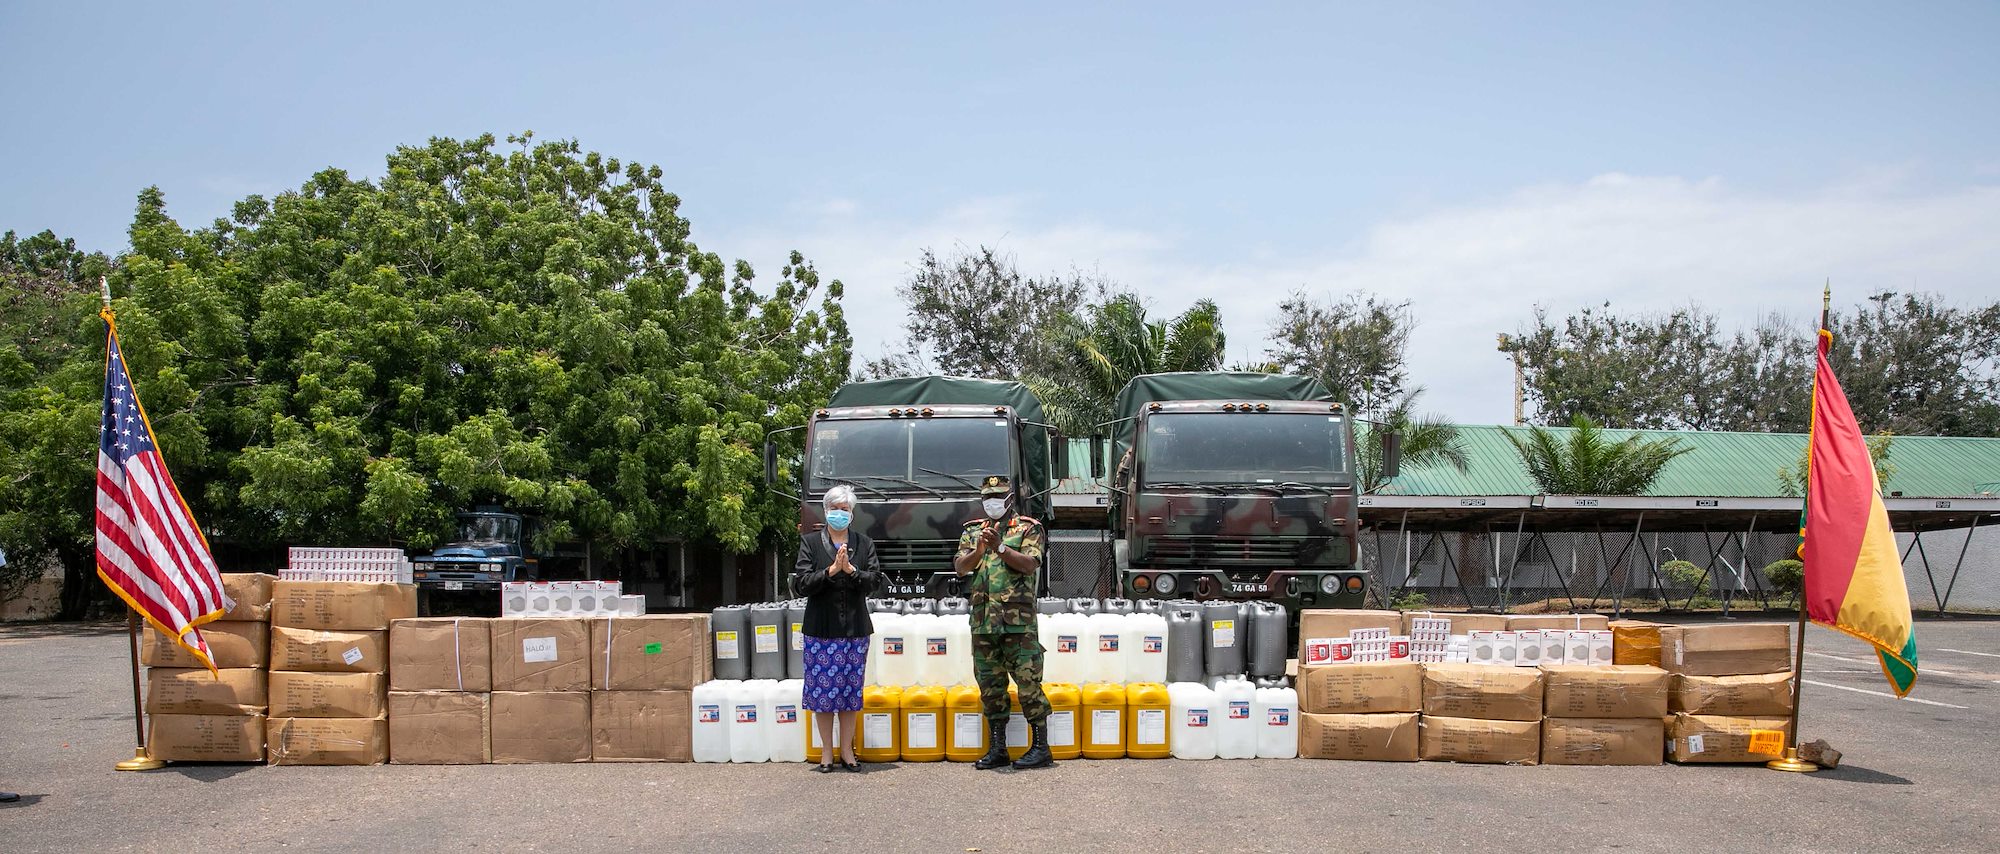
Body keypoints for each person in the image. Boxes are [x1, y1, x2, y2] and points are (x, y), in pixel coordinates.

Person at [953, 475, 1051, 770]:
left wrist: (1000, 548)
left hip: (1018, 624)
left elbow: (1030, 564)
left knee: (1028, 685)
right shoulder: (973, 531)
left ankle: (1041, 749)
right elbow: (960, 568)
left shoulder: (1028, 528)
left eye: (997, 496)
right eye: (987, 497)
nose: (992, 501)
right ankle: (998, 749)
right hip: (983, 622)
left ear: (1010, 498)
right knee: (990, 687)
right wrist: (979, 551)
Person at [792, 485, 884, 772]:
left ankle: (847, 751)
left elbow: (875, 581)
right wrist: (831, 571)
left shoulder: (864, 543)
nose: (840, 514)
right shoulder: (810, 543)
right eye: (835, 509)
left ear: (852, 513)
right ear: (826, 511)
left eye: (845, 509)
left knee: (849, 693)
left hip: (855, 629)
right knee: (822, 694)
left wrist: (852, 571)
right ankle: (826, 752)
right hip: (821, 629)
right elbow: (801, 584)